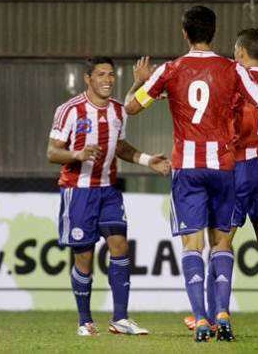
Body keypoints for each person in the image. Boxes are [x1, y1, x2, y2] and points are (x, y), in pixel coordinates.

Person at [124, 6, 258, 342]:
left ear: (184, 33)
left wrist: (141, 83)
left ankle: (202, 320)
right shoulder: (233, 70)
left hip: (188, 169)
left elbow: (131, 108)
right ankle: (222, 313)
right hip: (223, 168)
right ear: (215, 32)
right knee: (221, 243)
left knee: (192, 247)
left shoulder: (171, 70)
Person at [47, 56, 171, 336]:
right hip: (78, 192)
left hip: (109, 191)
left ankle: (120, 319)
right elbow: (52, 152)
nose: (107, 80)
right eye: (101, 75)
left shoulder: (118, 111)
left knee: (120, 247)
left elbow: (121, 147)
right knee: (84, 259)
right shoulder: (70, 110)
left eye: (111, 75)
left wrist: (148, 159)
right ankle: (85, 321)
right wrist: (77, 154)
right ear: (87, 79)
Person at [185, 28, 258, 337]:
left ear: (243, 53)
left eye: (235, 52)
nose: (234, 56)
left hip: (242, 167)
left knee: (221, 243)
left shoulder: (238, 84)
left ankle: (212, 313)